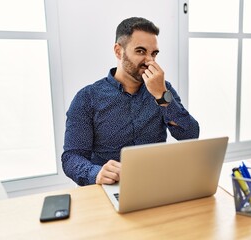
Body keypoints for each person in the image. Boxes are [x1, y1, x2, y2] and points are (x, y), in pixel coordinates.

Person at [61, 17, 199, 186]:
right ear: (118, 51)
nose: (150, 61)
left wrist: (162, 96)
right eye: (141, 51)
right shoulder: (87, 98)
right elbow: (71, 157)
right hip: (110, 188)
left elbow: (190, 134)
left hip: (156, 184)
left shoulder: (162, 88)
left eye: (154, 53)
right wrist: (96, 173)